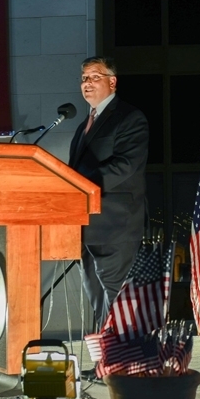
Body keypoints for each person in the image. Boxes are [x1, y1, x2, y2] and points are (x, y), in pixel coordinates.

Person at [68, 56, 149, 332]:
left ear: (112, 82)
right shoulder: (83, 126)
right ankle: (107, 364)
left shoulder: (129, 117)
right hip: (86, 227)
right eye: (83, 78)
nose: (86, 84)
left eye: (94, 77)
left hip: (115, 226)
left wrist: (77, 182)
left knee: (117, 300)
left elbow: (125, 165)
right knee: (99, 302)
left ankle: (125, 367)